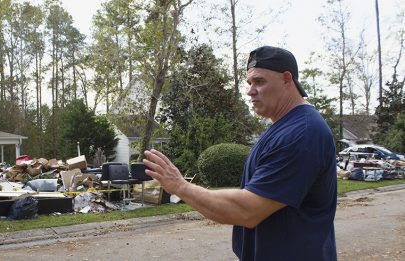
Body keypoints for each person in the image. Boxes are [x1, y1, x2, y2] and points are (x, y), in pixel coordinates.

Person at [142, 46, 337, 261]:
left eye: (259, 81)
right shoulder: (284, 127)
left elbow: (247, 210)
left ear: (286, 79)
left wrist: (180, 186)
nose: (250, 91)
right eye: (249, 83)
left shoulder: (302, 133)